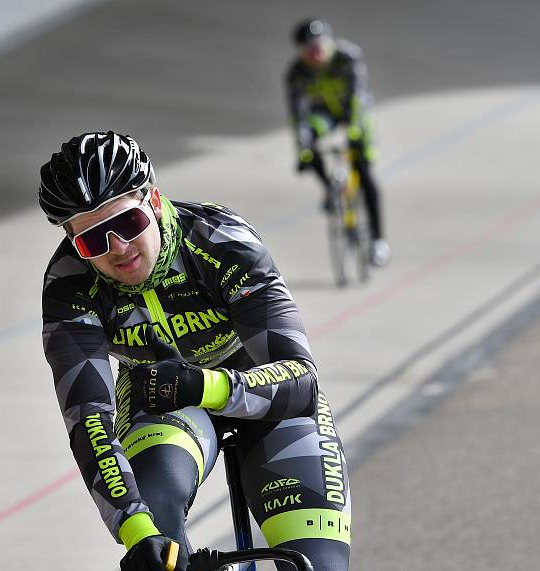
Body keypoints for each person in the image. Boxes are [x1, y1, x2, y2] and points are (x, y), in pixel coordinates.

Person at [39, 131, 351, 571]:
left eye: (127, 224)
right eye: (93, 241)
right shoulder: (69, 285)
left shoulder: (220, 241)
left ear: (154, 200)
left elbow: (300, 381)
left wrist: (200, 384)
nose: (118, 249)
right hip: (159, 401)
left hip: (260, 387)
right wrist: (137, 530)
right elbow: (89, 419)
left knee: (318, 565)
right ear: (75, 245)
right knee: (160, 541)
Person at [285, 17, 391, 267]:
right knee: (309, 144)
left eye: (320, 45)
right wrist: (302, 149)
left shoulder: (347, 58)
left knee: (364, 173)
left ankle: (378, 241)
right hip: (325, 115)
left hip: (355, 113)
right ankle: (329, 190)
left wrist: (354, 132)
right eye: (309, 49)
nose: (316, 52)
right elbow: (297, 115)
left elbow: (357, 95)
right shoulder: (296, 73)